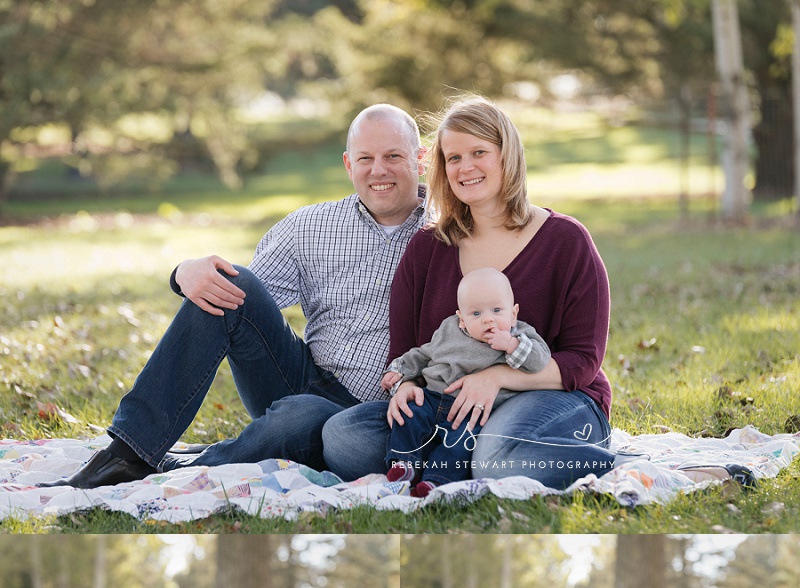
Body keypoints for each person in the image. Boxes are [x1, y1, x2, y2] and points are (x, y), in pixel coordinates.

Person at [41, 104, 426, 489]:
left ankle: (190, 464)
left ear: (420, 159)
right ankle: (128, 451)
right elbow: (240, 301)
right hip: (300, 377)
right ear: (347, 163)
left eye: (393, 156)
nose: (379, 170)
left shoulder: (450, 232)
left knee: (300, 417)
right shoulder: (309, 226)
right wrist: (183, 272)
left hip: (378, 411)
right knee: (229, 283)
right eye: (365, 158)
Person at [322, 97, 618, 490]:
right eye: (453, 157)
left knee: (495, 459)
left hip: (551, 397)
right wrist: (406, 386)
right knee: (344, 436)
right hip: (448, 410)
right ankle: (459, 461)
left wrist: (495, 377)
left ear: (506, 156)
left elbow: (582, 362)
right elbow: (409, 349)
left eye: (479, 152)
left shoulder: (566, 241)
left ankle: (613, 464)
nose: (466, 167)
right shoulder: (427, 248)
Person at [382, 268, 550, 496]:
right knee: (409, 416)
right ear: (461, 319)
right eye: (476, 314)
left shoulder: (520, 334)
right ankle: (404, 466)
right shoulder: (449, 330)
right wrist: (399, 373)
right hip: (433, 397)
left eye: (497, 310)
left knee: (462, 442)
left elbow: (540, 360)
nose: (488, 319)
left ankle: (436, 481)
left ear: (513, 313)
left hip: (474, 410)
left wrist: (511, 344)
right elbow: (423, 354)